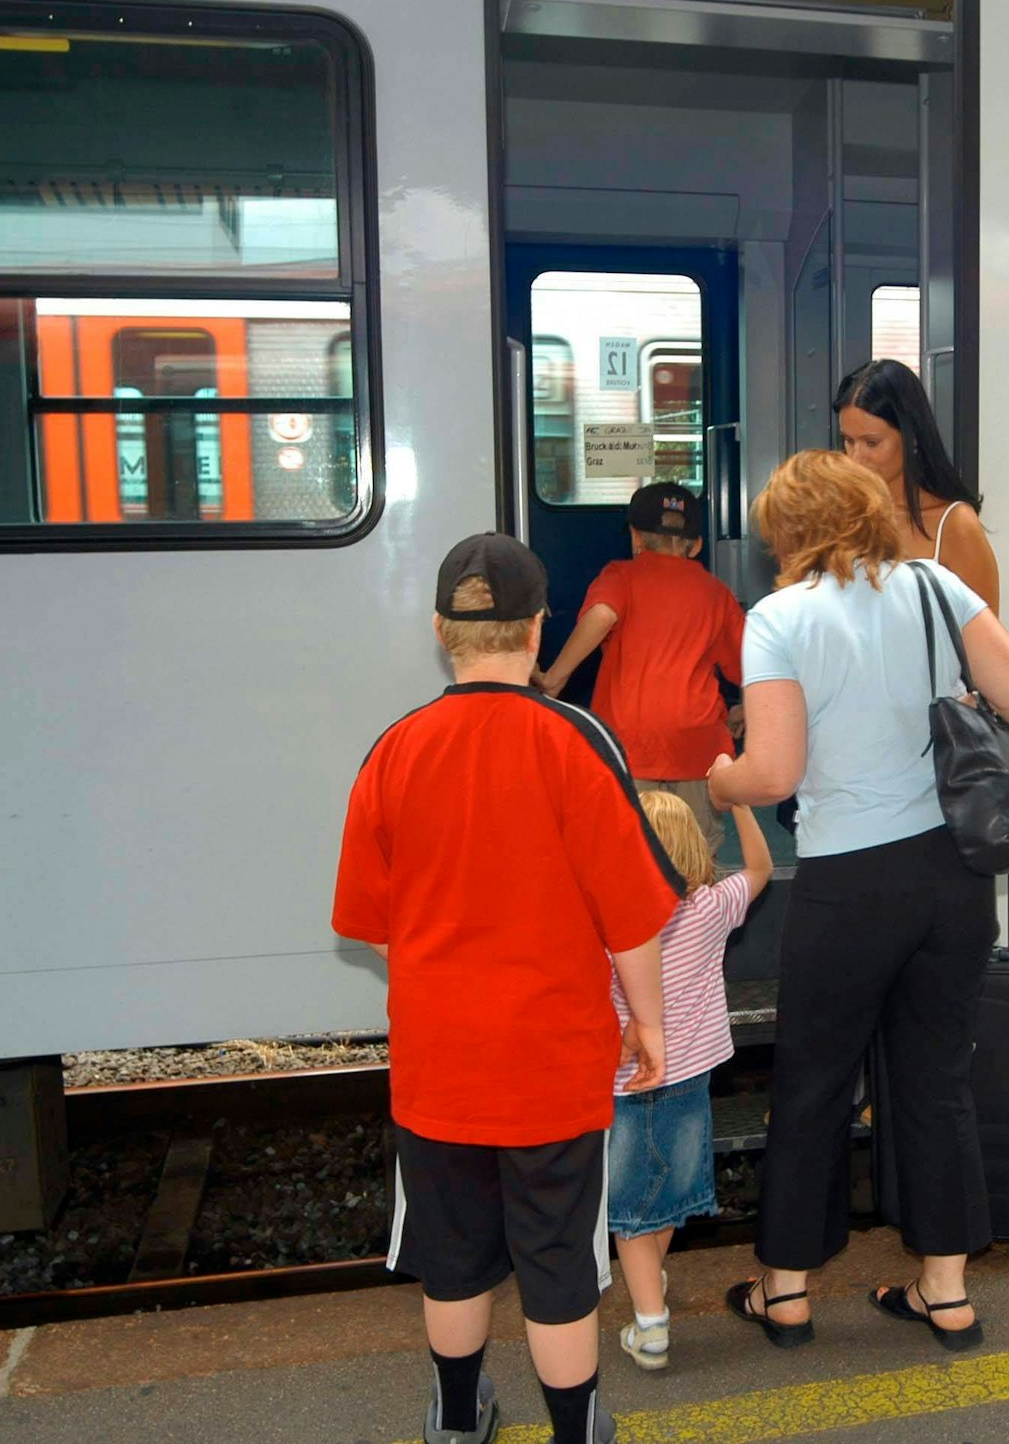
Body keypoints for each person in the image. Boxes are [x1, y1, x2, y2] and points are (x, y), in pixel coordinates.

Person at [333, 531, 683, 1444]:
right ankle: (575, 1431)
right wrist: (649, 1025)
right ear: (537, 629)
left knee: (451, 1262)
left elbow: (369, 924)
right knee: (560, 1261)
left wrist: (438, 982)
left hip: (438, 1066)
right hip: (553, 1064)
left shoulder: (395, 749)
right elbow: (631, 916)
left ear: (440, 629)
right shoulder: (577, 740)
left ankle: (457, 1421)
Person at [705, 451, 1009, 1353]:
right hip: (951, 879)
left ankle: (785, 1294)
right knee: (934, 1081)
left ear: (789, 532)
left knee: (813, 1084)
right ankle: (946, 1293)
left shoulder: (778, 618)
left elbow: (772, 770)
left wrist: (722, 778)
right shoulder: (936, 587)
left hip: (849, 886)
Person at [610, 790, 772, 1372]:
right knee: (670, 1194)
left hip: (627, 1082)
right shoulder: (712, 907)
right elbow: (760, 868)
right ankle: (650, 1282)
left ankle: (651, 1325)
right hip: (693, 1076)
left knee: (630, 1212)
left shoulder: (613, 922)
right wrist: (739, 803)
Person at [534, 482, 745, 851]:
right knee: (694, 852)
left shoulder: (621, 577)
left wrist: (555, 677)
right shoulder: (716, 593)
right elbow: (751, 666)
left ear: (635, 538)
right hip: (696, 747)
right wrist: (749, 710)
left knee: (630, 851)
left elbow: (601, 614)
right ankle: (697, 908)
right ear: (695, 545)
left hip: (630, 746)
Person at [835, 358, 1001, 616]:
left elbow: (985, 644)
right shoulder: (838, 518)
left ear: (912, 437)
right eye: (848, 441)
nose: (856, 457)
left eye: (871, 443)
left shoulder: (955, 524)